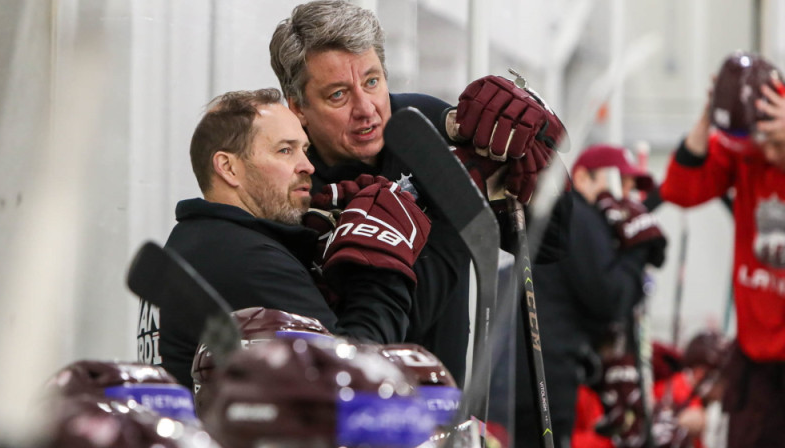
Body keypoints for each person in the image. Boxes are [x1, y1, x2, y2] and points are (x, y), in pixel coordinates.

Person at [269, 0, 570, 387]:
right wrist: (444, 210)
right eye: (338, 95)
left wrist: (535, 156)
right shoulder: (288, 181)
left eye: (372, 81)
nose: (367, 109)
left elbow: (552, 242)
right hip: (345, 402)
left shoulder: (427, 128)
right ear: (299, 108)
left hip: (446, 401)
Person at [136, 88, 432, 387]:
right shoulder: (246, 259)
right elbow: (352, 381)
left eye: (304, 149)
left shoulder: (194, 242)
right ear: (228, 167)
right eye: (285, 150)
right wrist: (380, 262)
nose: (308, 165)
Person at [659, 50, 785, 448]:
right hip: (755, 358)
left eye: (761, 141)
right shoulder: (743, 155)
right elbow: (679, 190)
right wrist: (707, 116)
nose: (755, 152)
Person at [510, 143, 667, 447]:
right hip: (544, 381)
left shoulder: (566, 218)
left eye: (633, 188)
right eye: (620, 182)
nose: (627, 197)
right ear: (582, 179)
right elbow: (610, 298)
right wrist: (637, 252)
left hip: (529, 374)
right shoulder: (580, 216)